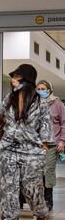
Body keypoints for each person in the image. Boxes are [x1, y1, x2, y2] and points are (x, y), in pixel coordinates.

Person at [0, 64, 52, 220]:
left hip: (31, 150)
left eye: (17, 77)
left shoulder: (40, 102)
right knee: (8, 187)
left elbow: (45, 126)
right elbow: (1, 120)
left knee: (31, 188)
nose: (14, 80)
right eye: (13, 77)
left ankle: (41, 214)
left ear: (27, 80)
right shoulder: (9, 98)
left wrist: (44, 147)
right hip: (9, 149)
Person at [36, 80, 65, 211]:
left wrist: (62, 141)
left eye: (43, 88)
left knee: (48, 171)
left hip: (52, 144)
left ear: (49, 89)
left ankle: (49, 199)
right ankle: (39, 199)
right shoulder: (35, 104)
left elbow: (64, 123)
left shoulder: (57, 104)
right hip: (37, 144)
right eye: (38, 88)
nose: (40, 90)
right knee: (37, 172)